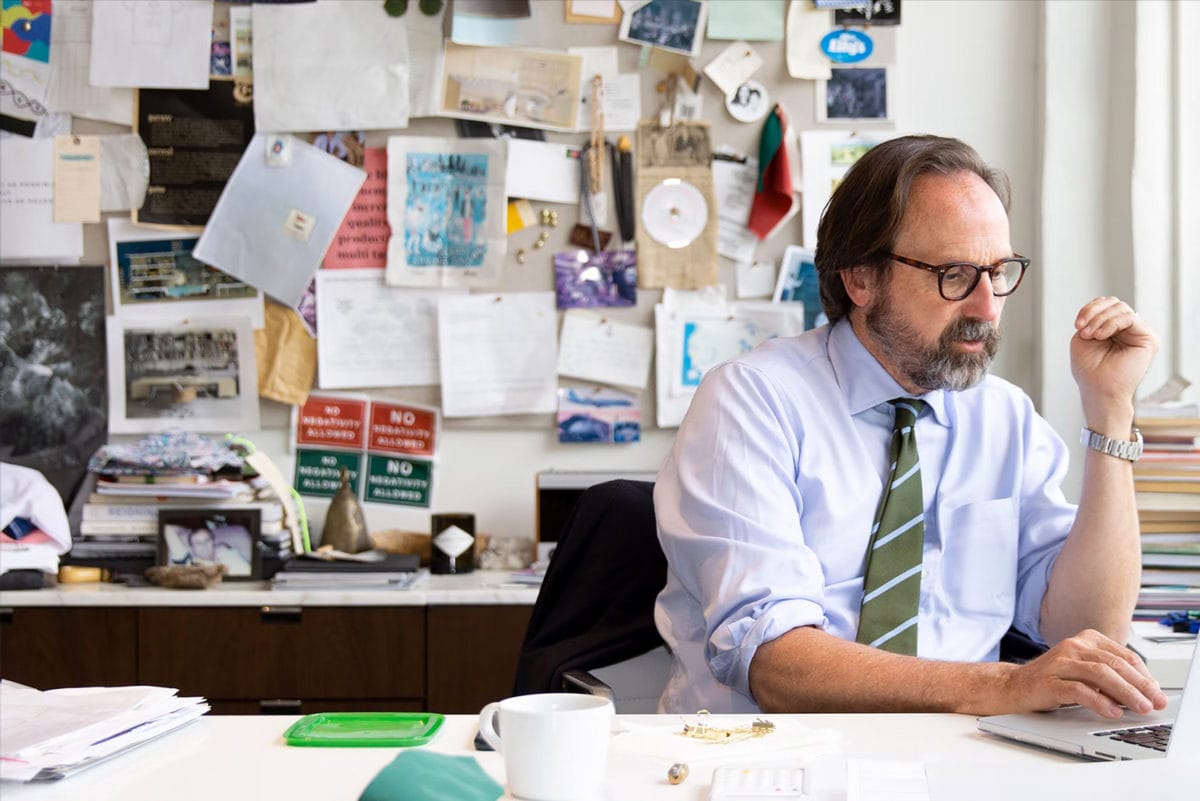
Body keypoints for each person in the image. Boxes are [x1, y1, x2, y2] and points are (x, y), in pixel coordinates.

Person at [653, 135, 1168, 721]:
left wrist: (1110, 411)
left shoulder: (1004, 417)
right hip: (769, 752)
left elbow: (1088, 631)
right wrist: (1002, 686)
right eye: (954, 274)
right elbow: (773, 661)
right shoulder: (752, 400)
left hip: (961, 753)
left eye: (997, 272)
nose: (987, 307)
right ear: (861, 279)